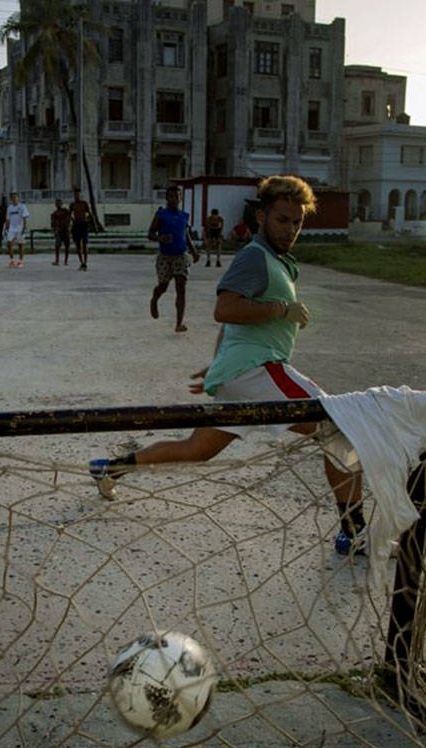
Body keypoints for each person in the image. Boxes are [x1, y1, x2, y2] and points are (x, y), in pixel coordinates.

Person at [90, 175, 367, 554]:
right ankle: (354, 533)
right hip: (256, 370)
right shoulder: (255, 256)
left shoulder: (279, 261)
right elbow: (226, 308)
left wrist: (219, 363)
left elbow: (232, 323)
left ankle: (111, 467)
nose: (290, 229)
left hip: (241, 373)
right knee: (338, 427)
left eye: (297, 222)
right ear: (261, 217)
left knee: (196, 449)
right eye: (282, 220)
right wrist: (281, 309)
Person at [147, 184, 200, 332]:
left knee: (181, 288)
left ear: (181, 198)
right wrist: (160, 238)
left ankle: (179, 323)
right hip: (165, 257)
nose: (174, 199)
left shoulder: (184, 215)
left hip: (181, 256)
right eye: (171, 196)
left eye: (177, 196)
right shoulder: (161, 215)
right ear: (166, 198)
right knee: (163, 286)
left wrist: (194, 251)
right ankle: (155, 299)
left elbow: (186, 235)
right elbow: (150, 233)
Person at [4, 193, 30, 267]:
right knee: (9, 244)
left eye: (15, 197)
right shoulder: (9, 208)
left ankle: (20, 261)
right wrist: (7, 228)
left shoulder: (22, 206)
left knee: (20, 245)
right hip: (12, 228)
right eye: (12, 198)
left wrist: (24, 228)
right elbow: (8, 218)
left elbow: (24, 217)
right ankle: (12, 260)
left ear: (18, 198)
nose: (14, 199)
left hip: (19, 227)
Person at [70, 188, 92, 271]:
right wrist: (72, 221)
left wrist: (88, 221)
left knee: (84, 245)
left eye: (78, 195)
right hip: (76, 225)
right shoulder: (72, 204)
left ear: (80, 195)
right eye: (75, 195)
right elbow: (70, 214)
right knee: (78, 245)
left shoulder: (84, 203)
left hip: (83, 224)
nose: (76, 196)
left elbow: (89, 213)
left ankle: (85, 262)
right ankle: (81, 262)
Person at [50, 198, 72, 266]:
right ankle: (57, 261)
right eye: (57, 203)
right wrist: (55, 230)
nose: (58, 204)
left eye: (59, 203)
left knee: (67, 246)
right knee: (57, 246)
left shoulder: (66, 211)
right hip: (59, 231)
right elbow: (53, 223)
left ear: (62, 204)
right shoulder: (54, 213)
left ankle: (66, 261)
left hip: (65, 231)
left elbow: (69, 219)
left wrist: (67, 226)